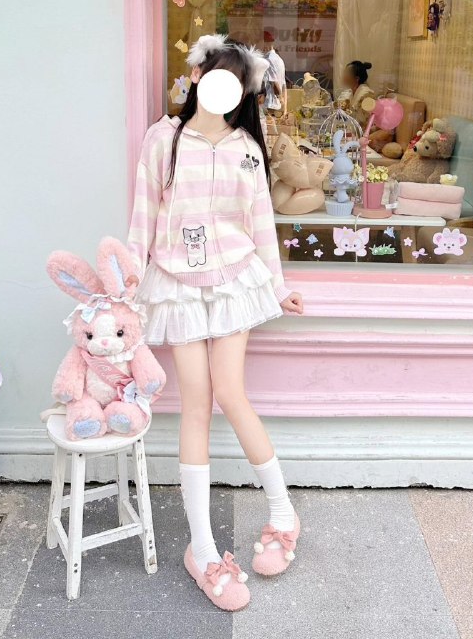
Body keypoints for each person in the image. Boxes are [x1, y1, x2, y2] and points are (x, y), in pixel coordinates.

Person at [126, 34, 303, 611]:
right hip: (176, 284)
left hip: (232, 282)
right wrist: (128, 288)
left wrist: (278, 287)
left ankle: (283, 513)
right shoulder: (163, 140)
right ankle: (201, 550)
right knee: (196, 404)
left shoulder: (247, 148)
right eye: (216, 75)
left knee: (230, 392)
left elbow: (261, 224)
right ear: (198, 76)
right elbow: (143, 217)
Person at [341, 59, 375, 128]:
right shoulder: (350, 92)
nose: (344, 76)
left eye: (347, 73)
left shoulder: (366, 95)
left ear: (356, 78)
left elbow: (366, 122)